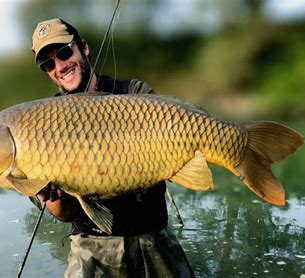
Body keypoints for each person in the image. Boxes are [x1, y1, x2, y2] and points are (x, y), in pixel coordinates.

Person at [31, 18, 194, 277]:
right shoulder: (44, 122)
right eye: (48, 64)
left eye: (64, 53)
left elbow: (172, 151)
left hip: (152, 237)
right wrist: (53, 195)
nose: (60, 66)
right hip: (92, 245)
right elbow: (64, 213)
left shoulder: (133, 92)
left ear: (83, 48)